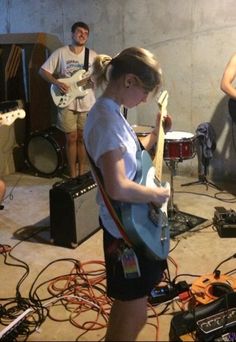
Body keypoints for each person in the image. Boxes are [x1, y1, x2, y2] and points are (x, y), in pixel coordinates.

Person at [83, 47, 172, 341]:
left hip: (126, 226)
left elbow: (132, 154)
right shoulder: (106, 121)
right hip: (124, 234)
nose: (145, 98)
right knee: (134, 313)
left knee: (131, 306)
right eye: (145, 90)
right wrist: (154, 194)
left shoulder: (113, 112)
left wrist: (157, 131)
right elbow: (117, 186)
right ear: (129, 80)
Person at [39, 21, 97, 178]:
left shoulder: (93, 56)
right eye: (79, 32)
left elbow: (99, 78)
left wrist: (95, 80)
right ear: (72, 34)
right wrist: (57, 82)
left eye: (86, 33)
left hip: (86, 102)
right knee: (71, 138)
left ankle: (82, 172)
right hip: (67, 100)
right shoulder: (61, 53)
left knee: (83, 138)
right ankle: (72, 174)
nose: (82, 35)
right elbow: (43, 71)